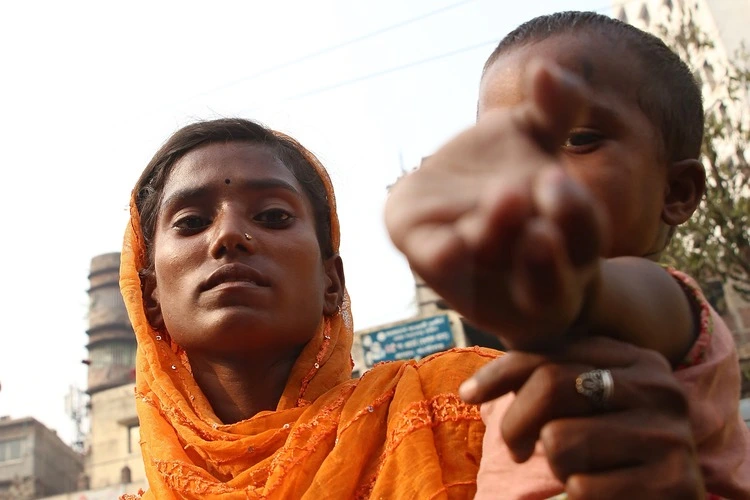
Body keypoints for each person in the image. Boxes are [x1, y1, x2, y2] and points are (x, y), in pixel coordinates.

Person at [119, 117, 706, 499]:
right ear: (149, 296)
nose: (229, 238)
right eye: (191, 222)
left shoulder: (470, 403)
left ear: (332, 281)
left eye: (273, 216)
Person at [384, 11, 750, 499]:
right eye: (502, 150)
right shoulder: (519, 362)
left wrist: (560, 288)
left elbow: (601, 293)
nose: (526, 171)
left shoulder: (668, 304)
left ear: (678, 191)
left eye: (579, 140)